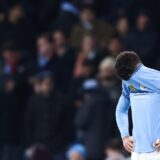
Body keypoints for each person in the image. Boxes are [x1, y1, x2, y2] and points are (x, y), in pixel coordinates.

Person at [115, 51, 160, 160]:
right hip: (137, 152)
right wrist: (125, 136)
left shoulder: (156, 78)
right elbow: (121, 111)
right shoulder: (126, 81)